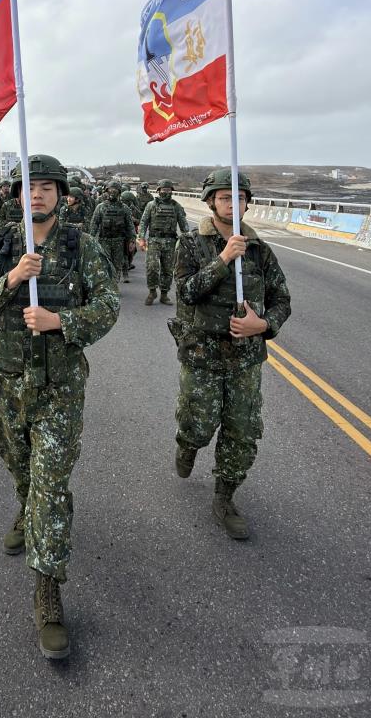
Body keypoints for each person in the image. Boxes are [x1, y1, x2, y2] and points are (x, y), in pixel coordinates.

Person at [0, 154, 119, 661]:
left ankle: (47, 589)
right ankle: (25, 507)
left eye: (47, 187)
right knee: (21, 468)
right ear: (16, 196)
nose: (37, 195)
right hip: (8, 383)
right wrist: (10, 279)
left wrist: (61, 322)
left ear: (61, 195)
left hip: (60, 388)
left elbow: (108, 305)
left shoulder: (81, 246)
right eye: (29, 188)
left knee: (51, 484)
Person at [170, 169, 291, 540]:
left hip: (245, 358)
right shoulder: (191, 244)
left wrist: (263, 325)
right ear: (211, 202)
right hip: (202, 355)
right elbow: (186, 292)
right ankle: (188, 444)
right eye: (225, 197)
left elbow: (282, 300)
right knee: (199, 423)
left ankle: (225, 496)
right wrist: (223, 259)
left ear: (247, 204)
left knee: (242, 431)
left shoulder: (260, 250)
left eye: (239, 198)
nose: (232, 204)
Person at [138, 178, 190, 305]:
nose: (166, 192)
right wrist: (141, 238)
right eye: (163, 189)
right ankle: (152, 291)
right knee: (152, 267)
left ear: (171, 191)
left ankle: (164, 294)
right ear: (158, 190)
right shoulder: (151, 205)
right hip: (154, 241)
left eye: (168, 190)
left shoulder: (176, 206)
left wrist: (188, 241)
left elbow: (184, 225)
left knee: (168, 270)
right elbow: (144, 222)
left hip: (170, 242)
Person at [90, 181, 135, 285]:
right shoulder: (101, 207)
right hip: (104, 241)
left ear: (119, 192)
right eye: (110, 190)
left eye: (115, 190)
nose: (112, 192)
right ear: (106, 191)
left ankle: (114, 285)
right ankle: (107, 286)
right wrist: (91, 239)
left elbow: (130, 225)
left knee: (117, 265)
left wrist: (132, 240)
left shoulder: (124, 208)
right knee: (105, 264)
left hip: (119, 241)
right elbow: (94, 224)